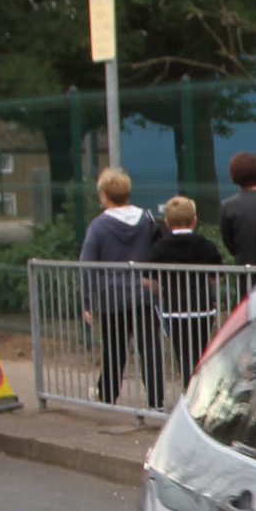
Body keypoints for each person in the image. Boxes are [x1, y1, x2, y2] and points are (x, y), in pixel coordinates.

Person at [76, 167, 162, 408]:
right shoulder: (147, 219)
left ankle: (108, 394)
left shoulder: (99, 226)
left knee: (114, 348)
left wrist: (87, 300)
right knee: (149, 348)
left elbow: (87, 264)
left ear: (104, 196)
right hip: (144, 293)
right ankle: (157, 399)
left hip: (111, 296)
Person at [148, 195, 229, 381]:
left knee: (182, 352)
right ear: (194, 220)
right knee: (201, 350)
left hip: (175, 308)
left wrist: (162, 290)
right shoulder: (206, 245)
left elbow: (148, 279)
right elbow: (219, 276)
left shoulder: (160, 248)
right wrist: (207, 284)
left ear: (167, 222)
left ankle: (189, 388)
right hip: (202, 308)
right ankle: (200, 387)